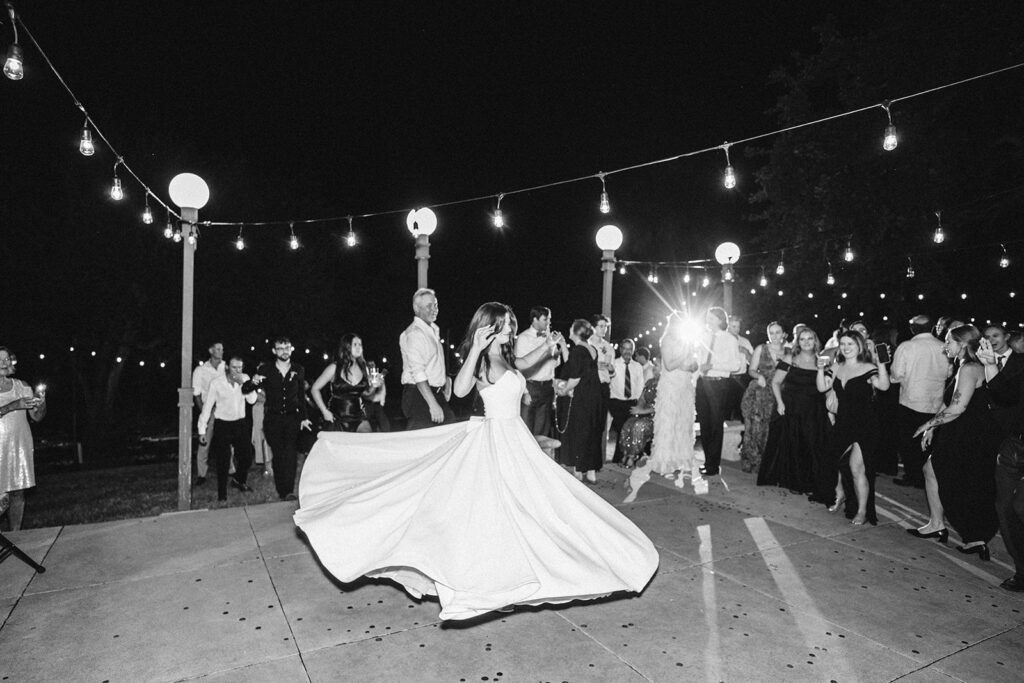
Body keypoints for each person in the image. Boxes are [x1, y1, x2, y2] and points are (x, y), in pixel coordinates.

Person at [293, 302, 659, 621]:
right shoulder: (482, 361)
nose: (511, 329)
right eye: (504, 324)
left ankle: (525, 569)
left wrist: (549, 346)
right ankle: (488, 578)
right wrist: (475, 349)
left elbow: (525, 364)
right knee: (494, 512)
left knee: (539, 508)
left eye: (512, 324)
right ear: (488, 326)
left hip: (515, 439)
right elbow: (463, 389)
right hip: (493, 441)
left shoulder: (508, 357)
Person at [911, 325, 1000, 561]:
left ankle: (969, 534)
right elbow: (950, 400)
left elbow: (958, 407)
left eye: (949, 341)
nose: (945, 345)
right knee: (936, 471)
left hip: (967, 434)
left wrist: (927, 424)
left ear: (962, 344)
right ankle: (940, 525)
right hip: (961, 431)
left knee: (956, 481)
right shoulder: (963, 366)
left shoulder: (970, 368)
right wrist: (935, 427)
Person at [624, 312, 701, 502]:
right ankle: (665, 460)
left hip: (684, 386)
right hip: (671, 386)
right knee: (668, 423)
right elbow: (669, 364)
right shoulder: (667, 340)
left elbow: (693, 365)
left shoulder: (688, 342)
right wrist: (684, 356)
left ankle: (681, 458)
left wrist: (689, 363)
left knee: (683, 423)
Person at [817, 329, 890, 525]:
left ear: (859, 346)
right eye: (843, 344)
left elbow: (884, 386)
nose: (846, 347)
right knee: (831, 461)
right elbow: (822, 388)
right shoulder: (837, 366)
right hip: (843, 423)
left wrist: (882, 364)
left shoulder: (868, 367)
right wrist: (820, 369)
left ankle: (862, 510)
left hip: (865, 425)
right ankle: (840, 494)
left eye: (851, 344)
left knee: (856, 467)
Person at [758, 328, 829, 498]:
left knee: (812, 446)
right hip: (792, 408)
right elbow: (775, 382)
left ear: (815, 341)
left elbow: (827, 385)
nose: (806, 342)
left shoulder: (822, 360)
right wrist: (780, 403)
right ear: (798, 342)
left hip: (814, 410)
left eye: (810, 338)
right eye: (802, 339)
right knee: (795, 445)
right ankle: (795, 481)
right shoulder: (790, 359)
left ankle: (812, 481)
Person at [246, 338, 313, 501]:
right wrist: (252, 382)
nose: (284, 351)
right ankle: (281, 489)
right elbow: (246, 389)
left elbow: (300, 397)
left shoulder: (298, 369)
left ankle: (288, 491)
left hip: (292, 418)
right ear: (274, 351)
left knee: (290, 453)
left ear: (291, 349)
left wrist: (304, 418)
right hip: (273, 418)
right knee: (278, 453)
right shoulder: (266, 369)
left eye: (287, 348)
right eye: (280, 348)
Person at [890, 315, 949, 488]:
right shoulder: (942, 347)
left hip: (911, 401)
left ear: (912, 328)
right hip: (936, 402)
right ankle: (926, 476)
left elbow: (896, 375)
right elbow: (948, 373)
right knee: (928, 442)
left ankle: (913, 476)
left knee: (909, 442)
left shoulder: (907, 347)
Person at [198, 356, 258, 502]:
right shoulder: (217, 383)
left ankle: (239, 480)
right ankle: (222, 494)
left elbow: (252, 400)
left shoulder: (245, 378)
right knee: (223, 460)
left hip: (240, 423)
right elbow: (207, 407)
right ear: (227, 368)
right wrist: (202, 429)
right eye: (234, 367)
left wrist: (245, 384)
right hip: (222, 424)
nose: (237, 370)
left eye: (240, 367)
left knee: (247, 456)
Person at [0, 347, 45, 531]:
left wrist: (41, 405)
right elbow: (11, 408)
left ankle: (16, 537)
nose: (4, 363)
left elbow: (36, 417)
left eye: (7, 359)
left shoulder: (22, 386)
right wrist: (13, 405)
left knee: (17, 492)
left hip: (18, 445)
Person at [696, 307, 743, 477]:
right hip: (703, 383)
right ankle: (708, 460)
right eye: (707, 317)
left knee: (716, 424)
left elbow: (736, 365)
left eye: (711, 318)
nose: (708, 320)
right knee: (704, 424)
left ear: (720, 320)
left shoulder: (730, 339)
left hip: (719, 384)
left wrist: (714, 366)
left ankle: (713, 466)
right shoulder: (703, 337)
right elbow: (699, 360)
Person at [555, 319, 604, 482]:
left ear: (576, 332)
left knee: (579, 430)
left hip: (582, 396)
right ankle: (590, 470)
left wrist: (564, 389)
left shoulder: (578, 350)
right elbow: (573, 364)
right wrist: (563, 345)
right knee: (590, 430)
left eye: (571, 327)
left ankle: (578, 469)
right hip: (594, 395)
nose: (569, 329)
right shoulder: (591, 349)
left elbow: (575, 377)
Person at [400, 288, 455, 430]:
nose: (434, 309)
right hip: (419, 396)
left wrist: (445, 382)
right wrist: (433, 404)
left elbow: (433, 365)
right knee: (420, 442)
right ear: (416, 308)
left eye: (435, 305)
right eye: (429, 306)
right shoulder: (415, 334)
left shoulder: (432, 331)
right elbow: (418, 373)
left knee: (450, 433)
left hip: (434, 393)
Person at [514, 306, 568, 440]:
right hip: (531, 387)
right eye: (545, 319)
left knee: (542, 431)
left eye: (549, 319)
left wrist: (556, 347)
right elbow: (518, 368)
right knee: (526, 430)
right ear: (534, 319)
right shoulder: (523, 338)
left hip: (547, 388)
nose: (548, 322)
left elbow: (556, 363)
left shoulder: (549, 338)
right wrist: (524, 391)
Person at [311, 334, 384, 433]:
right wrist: (324, 411)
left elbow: (367, 395)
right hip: (337, 418)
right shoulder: (334, 368)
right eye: (355, 344)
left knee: (366, 440)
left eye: (360, 344)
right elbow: (315, 389)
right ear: (347, 347)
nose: (359, 347)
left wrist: (374, 386)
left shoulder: (364, 368)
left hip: (359, 417)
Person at [740, 321, 785, 473]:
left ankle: (771, 463)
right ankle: (754, 462)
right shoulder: (761, 348)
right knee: (756, 428)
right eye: (771, 333)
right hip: (761, 392)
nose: (774, 336)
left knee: (774, 430)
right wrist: (759, 375)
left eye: (777, 332)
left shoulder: (790, 351)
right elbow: (751, 370)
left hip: (780, 393)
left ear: (784, 334)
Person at [192, 341, 226, 486]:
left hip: (225, 409)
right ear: (211, 351)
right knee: (204, 442)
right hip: (209, 409)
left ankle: (230, 469)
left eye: (222, 349)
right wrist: (204, 412)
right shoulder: (200, 370)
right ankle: (201, 474)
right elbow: (197, 394)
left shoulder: (227, 367)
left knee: (227, 441)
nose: (221, 351)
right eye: (218, 349)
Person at [608, 339, 645, 464]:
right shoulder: (614, 364)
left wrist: (640, 405)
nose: (627, 352)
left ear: (633, 351)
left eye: (630, 349)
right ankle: (619, 458)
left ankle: (626, 458)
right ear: (620, 349)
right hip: (616, 402)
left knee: (629, 430)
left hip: (632, 403)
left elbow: (640, 387)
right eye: (625, 348)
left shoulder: (638, 367)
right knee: (622, 428)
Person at [589, 314, 616, 458]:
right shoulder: (587, 343)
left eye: (605, 326)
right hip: (591, 387)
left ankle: (596, 459)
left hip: (603, 387)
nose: (604, 329)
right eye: (601, 326)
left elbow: (612, 371)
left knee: (600, 425)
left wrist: (610, 369)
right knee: (590, 424)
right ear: (593, 327)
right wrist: (595, 366)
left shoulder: (608, 346)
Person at [727, 317, 754, 421]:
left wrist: (746, 353)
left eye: (738, 326)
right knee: (726, 411)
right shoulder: (722, 340)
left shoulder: (744, 341)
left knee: (742, 410)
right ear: (728, 326)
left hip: (741, 379)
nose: (736, 329)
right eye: (733, 326)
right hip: (726, 379)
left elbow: (753, 362)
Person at [251, 388, 273, 476]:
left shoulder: (266, 406)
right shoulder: (255, 406)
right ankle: (265, 466)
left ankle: (269, 467)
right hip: (257, 424)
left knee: (267, 445)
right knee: (258, 443)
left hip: (266, 424)